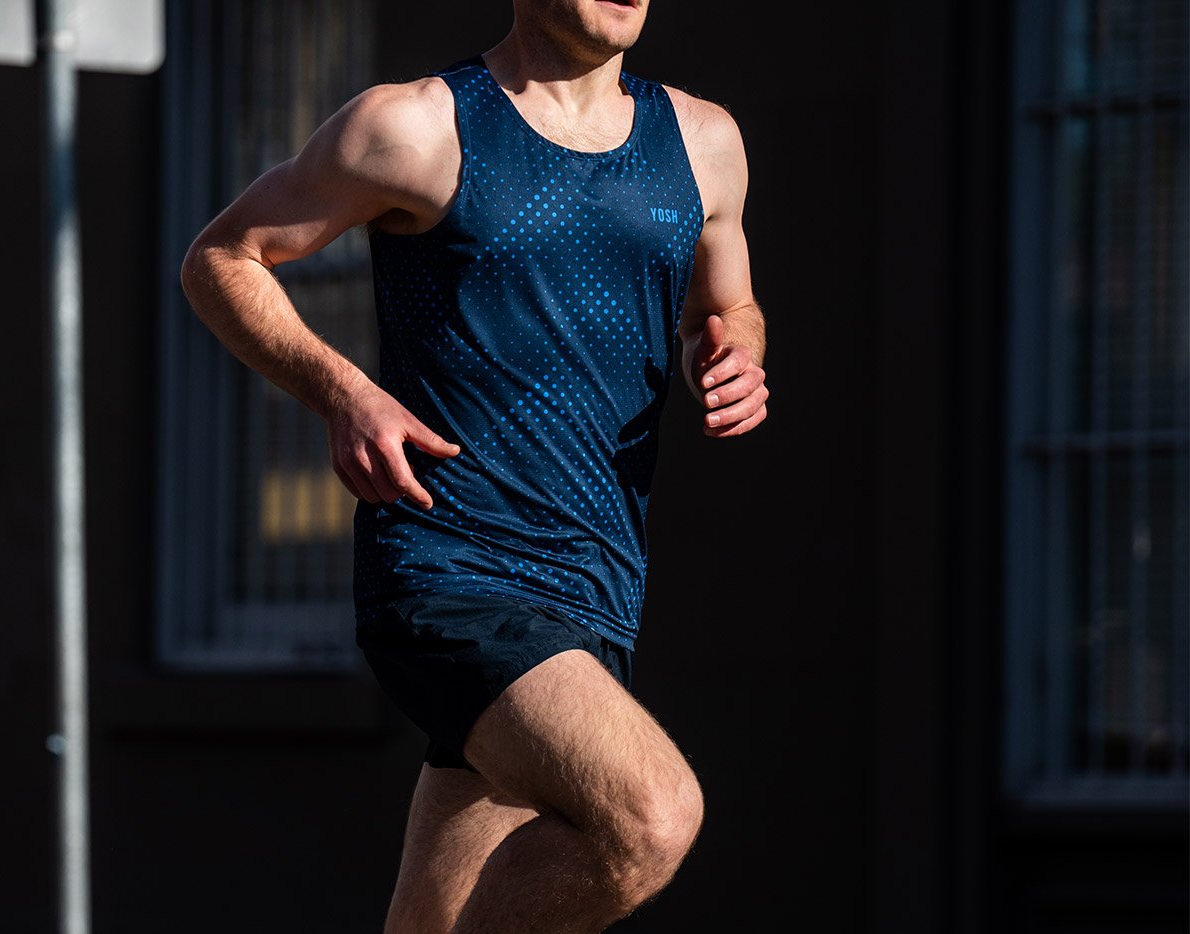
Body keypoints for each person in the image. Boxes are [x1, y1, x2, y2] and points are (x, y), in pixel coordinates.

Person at [181, 0, 767, 928]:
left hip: (596, 585)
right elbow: (224, 256)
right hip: (449, 573)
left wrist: (736, 353)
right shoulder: (415, 126)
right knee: (649, 820)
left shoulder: (703, 142)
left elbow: (725, 306)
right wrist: (344, 392)